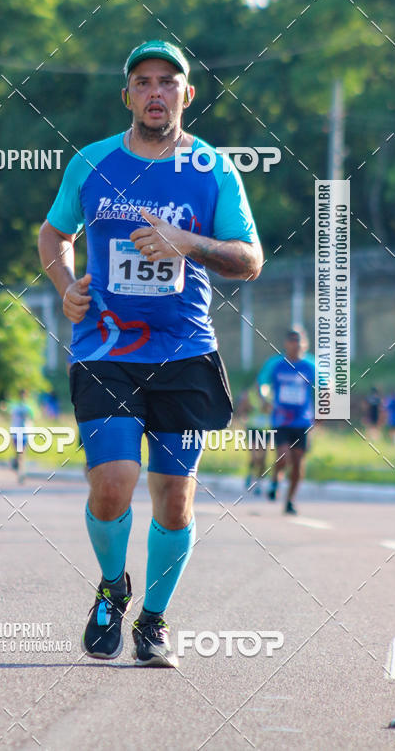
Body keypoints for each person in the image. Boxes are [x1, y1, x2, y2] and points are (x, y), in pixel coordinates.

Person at [38, 39, 262, 667]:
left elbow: (249, 258)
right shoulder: (91, 162)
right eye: (143, 82)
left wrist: (185, 241)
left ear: (187, 94)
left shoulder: (213, 169)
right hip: (104, 349)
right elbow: (54, 233)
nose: (155, 91)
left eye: (168, 81)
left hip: (184, 352)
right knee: (113, 484)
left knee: (175, 498)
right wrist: (65, 284)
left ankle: (154, 622)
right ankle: (113, 588)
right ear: (127, 96)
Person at [259, 327, 315, 515]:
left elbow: (326, 385)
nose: (295, 344)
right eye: (291, 340)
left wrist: (324, 409)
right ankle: (275, 480)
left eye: (298, 340)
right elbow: (263, 384)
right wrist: (265, 398)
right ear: (285, 343)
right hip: (281, 420)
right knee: (283, 457)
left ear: (305, 343)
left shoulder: (310, 365)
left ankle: (290, 500)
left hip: (303, 421)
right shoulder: (275, 364)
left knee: (298, 463)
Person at [238, 380, 271, 495]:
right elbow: (241, 410)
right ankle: (250, 474)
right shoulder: (249, 395)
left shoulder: (270, 394)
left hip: (266, 430)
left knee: (263, 458)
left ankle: (259, 482)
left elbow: (270, 410)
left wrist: (264, 401)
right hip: (253, 428)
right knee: (254, 456)